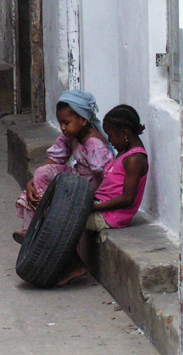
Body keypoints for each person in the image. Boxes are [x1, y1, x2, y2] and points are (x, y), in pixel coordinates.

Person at [58, 104, 148, 285]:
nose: (109, 140)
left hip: (110, 216)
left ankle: (75, 264)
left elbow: (127, 199)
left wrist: (92, 208)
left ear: (125, 133)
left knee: (59, 219)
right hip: (102, 206)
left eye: (111, 135)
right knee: (57, 206)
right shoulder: (124, 153)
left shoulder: (134, 159)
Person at [14, 90, 113, 242]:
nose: (63, 128)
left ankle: (42, 223)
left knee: (54, 197)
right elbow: (55, 160)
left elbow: (103, 177)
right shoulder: (71, 136)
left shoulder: (94, 144)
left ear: (83, 120)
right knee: (42, 173)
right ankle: (30, 228)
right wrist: (32, 182)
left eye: (66, 123)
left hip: (89, 188)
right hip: (76, 179)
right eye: (60, 123)